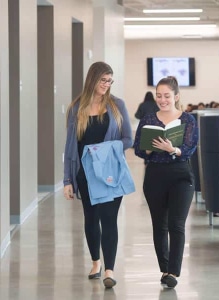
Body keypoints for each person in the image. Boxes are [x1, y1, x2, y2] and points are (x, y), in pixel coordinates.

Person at [63, 61, 133, 288]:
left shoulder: (116, 105)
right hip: (85, 173)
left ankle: (109, 270)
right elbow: (71, 147)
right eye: (103, 80)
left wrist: (104, 150)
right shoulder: (77, 108)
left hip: (110, 172)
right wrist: (68, 180)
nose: (106, 84)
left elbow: (127, 139)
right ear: (92, 79)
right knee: (91, 219)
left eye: (110, 81)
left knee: (109, 219)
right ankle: (96, 262)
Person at [133, 76, 198, 288]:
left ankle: (174, 272)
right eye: (159, 96)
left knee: (176, 224)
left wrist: (174, 149)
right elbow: (138, 149)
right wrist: (149, 149)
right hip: (155, 175)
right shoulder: (148, 120)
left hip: (180, 174)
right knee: (159, 225)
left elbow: (190, 147)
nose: (162, 100)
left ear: (176, 96)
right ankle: (165, 268)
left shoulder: (188, 119)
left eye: (167, 96)